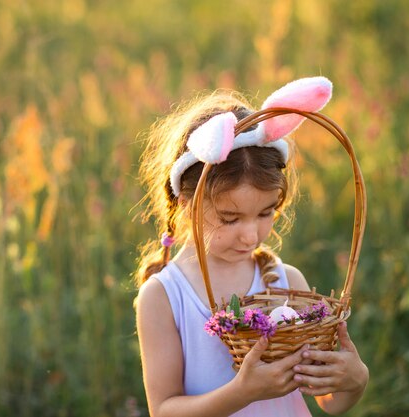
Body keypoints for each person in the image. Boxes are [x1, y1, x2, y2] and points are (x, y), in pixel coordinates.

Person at [134, 76, 369, 417]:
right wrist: (241, 393)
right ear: (187, 202)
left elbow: (328, 402)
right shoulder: (164, 296)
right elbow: (164, 410)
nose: (250, 235)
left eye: (265, 213)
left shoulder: (287, 283)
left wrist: (355, 380)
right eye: (230, 219)